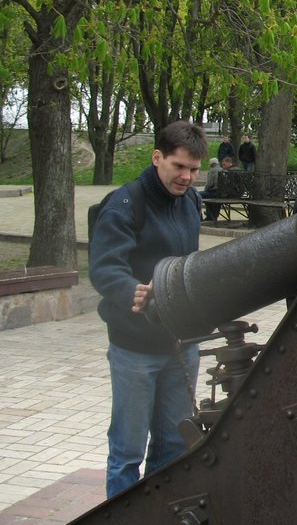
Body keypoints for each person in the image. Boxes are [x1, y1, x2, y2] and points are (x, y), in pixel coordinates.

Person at [88, 120, 208, 498]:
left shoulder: (191, 201)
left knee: (173, 445)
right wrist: (134, 293)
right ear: (157, 157)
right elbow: (105, 268)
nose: (187, 177)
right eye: (179, 166)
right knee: (127, 450)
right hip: (135, 347)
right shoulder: (125, 204)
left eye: (194, 169)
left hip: (181, 342)